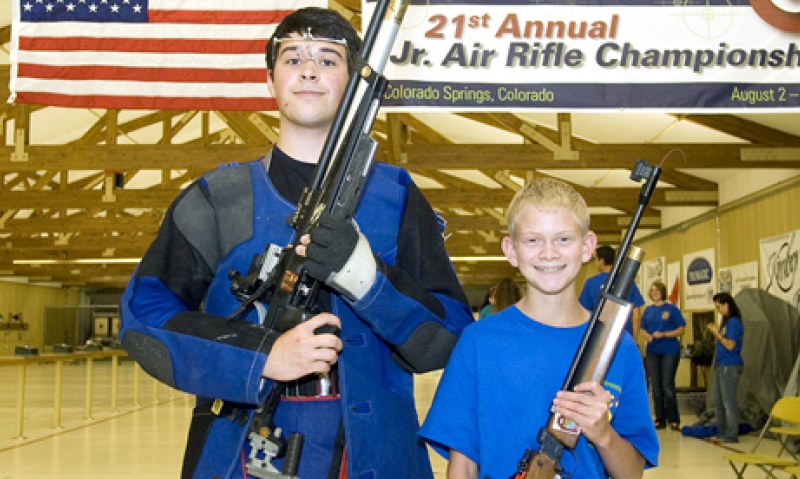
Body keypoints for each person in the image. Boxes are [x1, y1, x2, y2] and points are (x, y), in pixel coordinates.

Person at [119, 8, 474, 479]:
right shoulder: (217, 199)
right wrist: (261, 356)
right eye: (293, 58)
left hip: (379, 457)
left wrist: (370, 283)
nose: (309, 69)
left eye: (328, 59)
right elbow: (143, 318)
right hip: (240, 456)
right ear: (271, 81)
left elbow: (448, 336)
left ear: (352, 84)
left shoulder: (397, 197)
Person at [419, 178, 659, 479]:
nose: (549, 253)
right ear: (511, 250)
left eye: (563, 239)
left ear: (587, 247)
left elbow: (632, 473)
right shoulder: (479, 342)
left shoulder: (618, 349)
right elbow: (462, 465)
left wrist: (604, 434)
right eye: (533, 240)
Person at [640, 281, 686, 431]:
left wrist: (665, 334)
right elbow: (642, 329)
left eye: (657, 290)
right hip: (653, 350)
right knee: (656, 386)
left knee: (667, 385)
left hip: (669, 350)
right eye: (652, 290)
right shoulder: (648, 310)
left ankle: (674, 419)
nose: (654, 293)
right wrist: (646, 336)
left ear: (663, 292)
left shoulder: (671, 309)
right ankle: (660, 418)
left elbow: (681, 329)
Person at [579, 245, 645, 340]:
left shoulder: (591, 283)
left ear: (601, 261)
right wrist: (633, 341)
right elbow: (636, 316)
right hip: (624, 337)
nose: (595, 263)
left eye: (596, 260)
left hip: (598, 337)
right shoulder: (628, 282)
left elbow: (583, 314)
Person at [708, 292, 744, 444]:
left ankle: (731, 433)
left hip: (730, 365)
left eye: (719, 307)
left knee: (728, 401)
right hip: (721, 364)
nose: (718, 310)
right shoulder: (726, 322)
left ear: (727, 305)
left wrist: (717, 334)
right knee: (717, 400)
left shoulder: (734, 323)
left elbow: (730, 345)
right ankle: (721, 430)